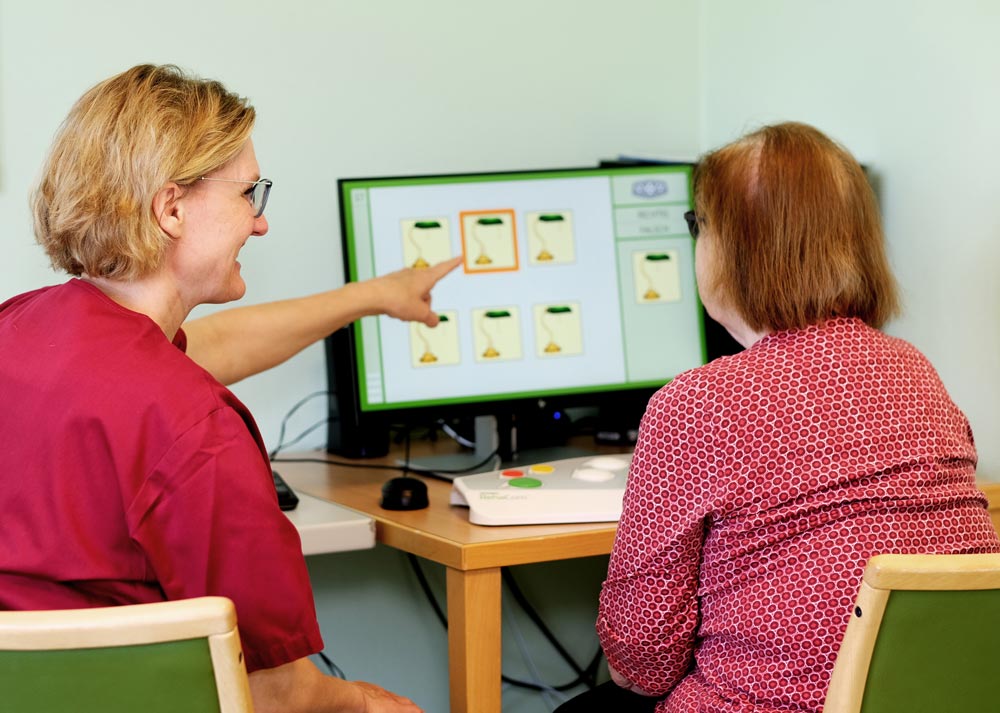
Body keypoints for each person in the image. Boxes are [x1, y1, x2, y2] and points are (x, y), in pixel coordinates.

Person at [0, 64, 462, 713]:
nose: (260, 222)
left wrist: (375, 295)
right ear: (171, 208)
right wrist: (366, 702)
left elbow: (206, 351)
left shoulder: (22, 327)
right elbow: (277, 692)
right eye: (250, 193)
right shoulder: (196, 425)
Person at [556, 122, 1000, 713]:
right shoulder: (916, 372)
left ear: (733, 248)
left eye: (698, 225)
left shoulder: (696, 404)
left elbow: (642, 661)